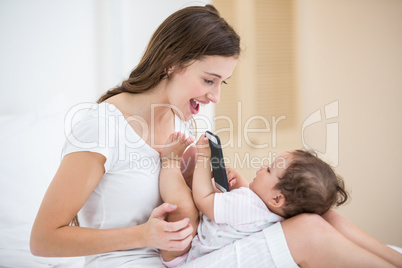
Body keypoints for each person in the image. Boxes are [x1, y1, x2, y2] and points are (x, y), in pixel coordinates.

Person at [30, 4, 402, 268]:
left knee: (315, 213)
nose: (215, 97)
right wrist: (143, 236)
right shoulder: (102, 127)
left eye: (223, 83)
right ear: (172, 61)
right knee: (306, 232)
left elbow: (195, 205)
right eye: (209, 80)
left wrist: (228, 189)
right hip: (136, 260)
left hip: (194, 254)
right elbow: (43, 239)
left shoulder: (180, 120)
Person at [158, 133, 398, 267]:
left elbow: (204, 199)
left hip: (185, 255)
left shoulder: (246, 206)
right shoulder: (281, 212)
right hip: (203, 246)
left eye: (269, 169)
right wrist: (241, 181)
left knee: (184, 205)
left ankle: (169, 164)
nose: (263, 166)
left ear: (277, 198)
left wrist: (203, 159)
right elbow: (250, 210)